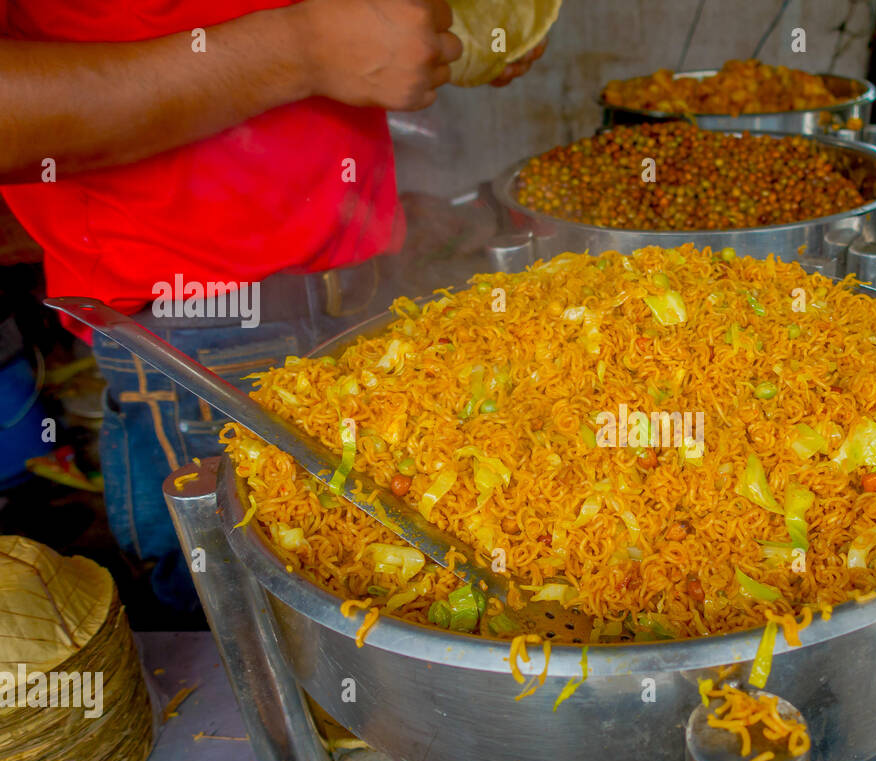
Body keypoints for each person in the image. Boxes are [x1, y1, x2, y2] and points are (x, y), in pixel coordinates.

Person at [0, 0, 547, 613]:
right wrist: (302, 49)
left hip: (364, 298)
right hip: (206, 340)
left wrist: (449, 30)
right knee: (254, 627)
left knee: (399, 601)